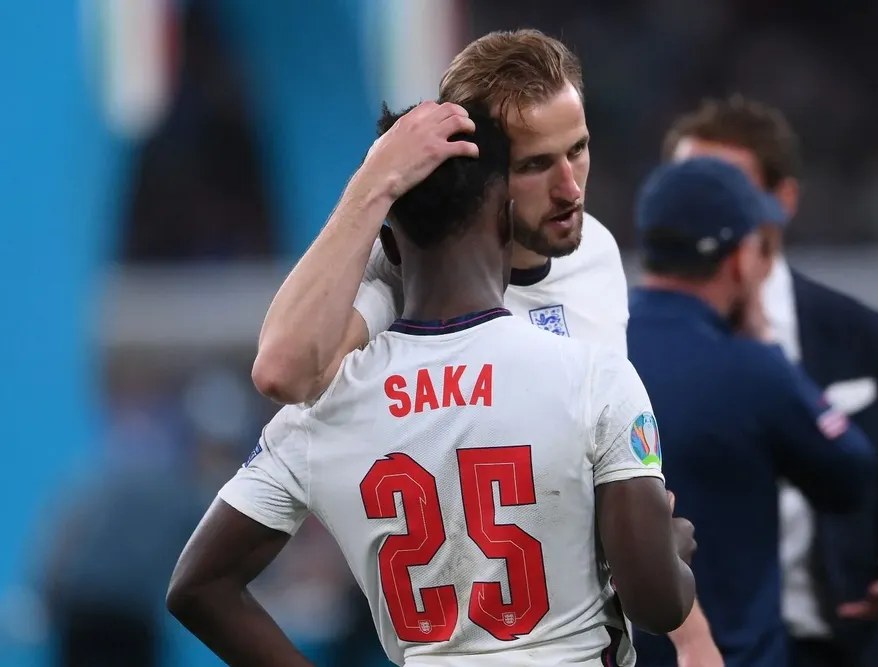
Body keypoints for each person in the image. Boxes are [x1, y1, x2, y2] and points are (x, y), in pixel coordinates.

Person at [249, 28, 722, 665]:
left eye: (577, 151)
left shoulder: (599, 252)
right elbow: (281, 369)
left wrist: (692, 639)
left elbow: (612, 483)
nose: (569, 187)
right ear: (483, 176)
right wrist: (375, 182)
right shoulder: (405, 280)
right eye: (535, 165)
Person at [662, 96, 878, 667]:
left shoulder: (858, 335)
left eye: (723, 189)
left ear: (783, 201)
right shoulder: (630, 342)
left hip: (838, 645)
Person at [626, 156, 878, 667]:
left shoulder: (595, 349)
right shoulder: (752, 369)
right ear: (740, 259)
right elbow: (853, 474)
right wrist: (769, 348)